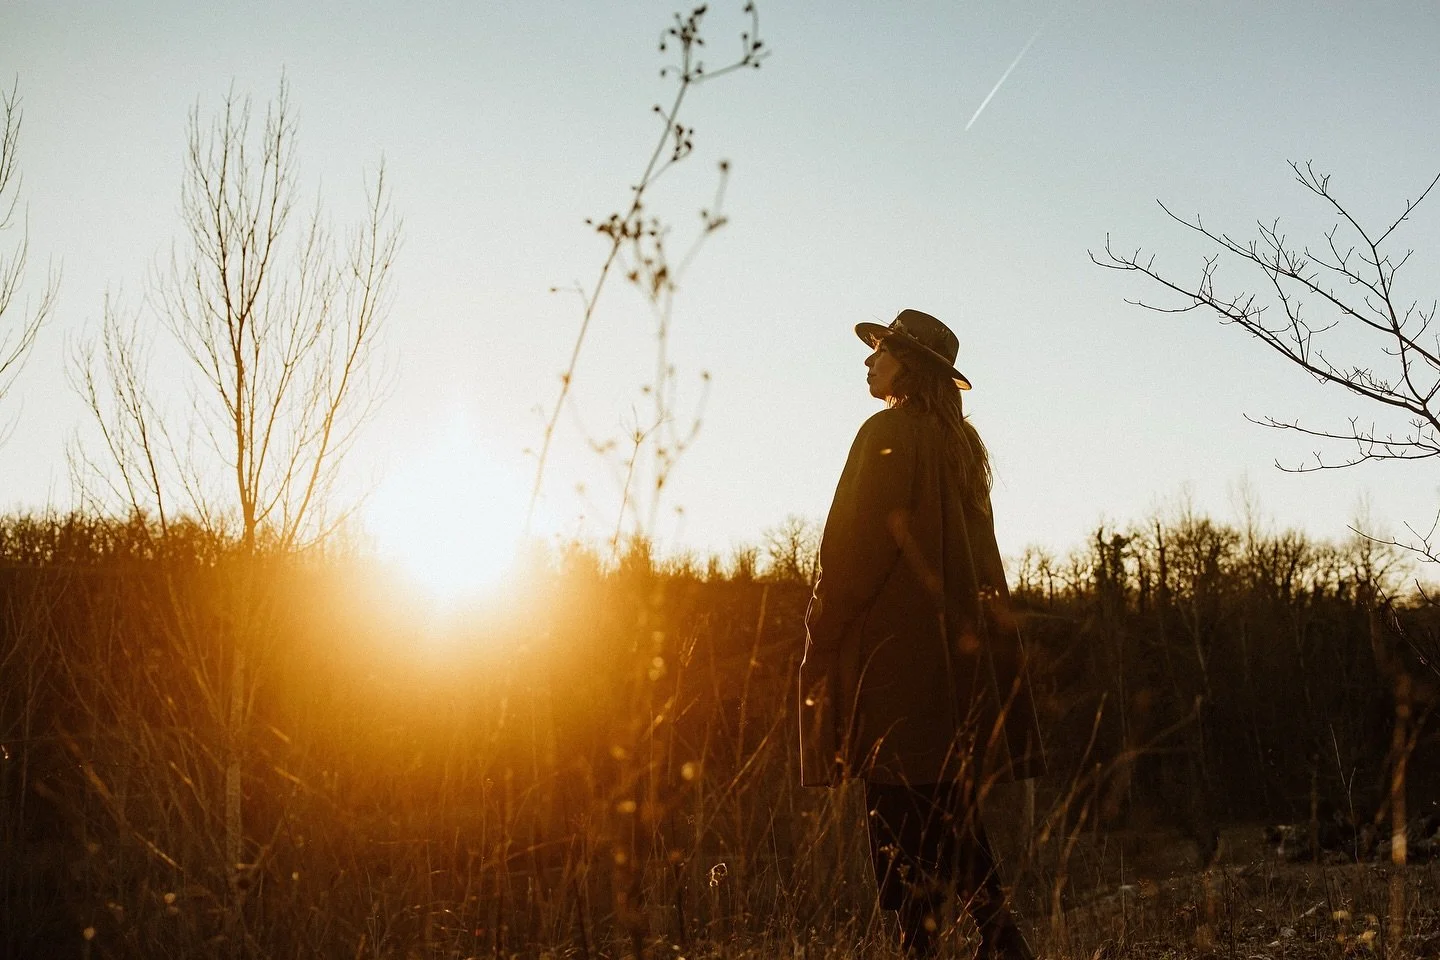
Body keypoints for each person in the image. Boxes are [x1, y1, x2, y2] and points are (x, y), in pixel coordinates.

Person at [799, 309, 1045, 959]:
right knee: (950, 830)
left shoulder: (886, 432)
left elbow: (852, 554)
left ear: (909, 365)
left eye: (880, 351)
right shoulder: (962, 451)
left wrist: (821, 638)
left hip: (893, 674)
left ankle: (978, 947)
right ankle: (997, 945)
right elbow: (985, 570)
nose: (868, 360)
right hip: (953, 678)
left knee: (904, 839)